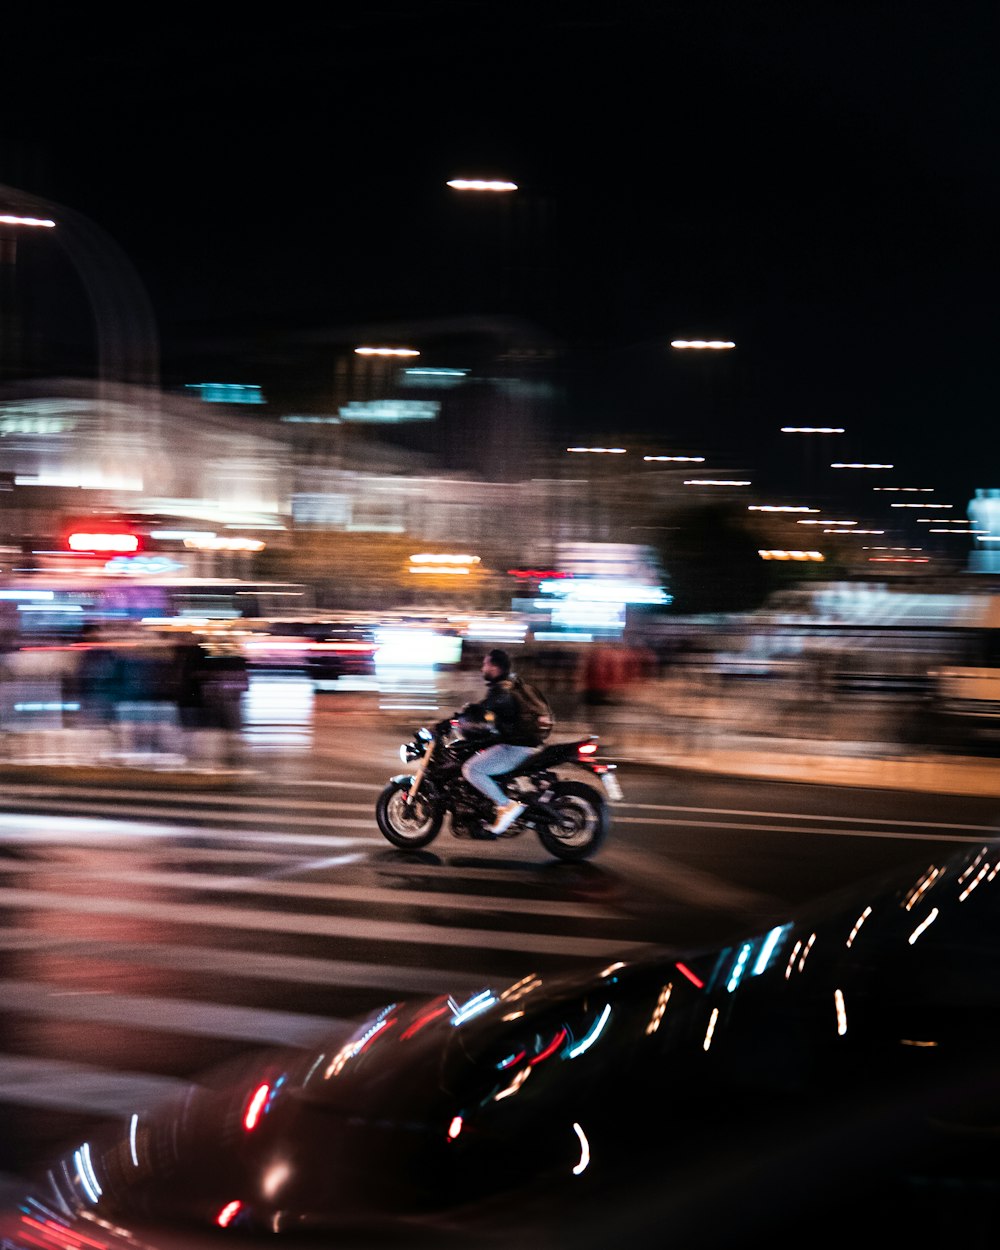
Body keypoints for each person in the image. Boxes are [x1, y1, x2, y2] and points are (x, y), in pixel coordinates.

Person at [454, 648, 545, 835]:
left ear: (495, 667)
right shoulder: (509, 685)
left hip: (515, 747)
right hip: (518, 743)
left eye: (485, 664)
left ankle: (506, 805)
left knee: (471, 769)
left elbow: (484, 709)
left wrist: (459, 717)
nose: (482, 669)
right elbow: (491, 714)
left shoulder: (501, 691)